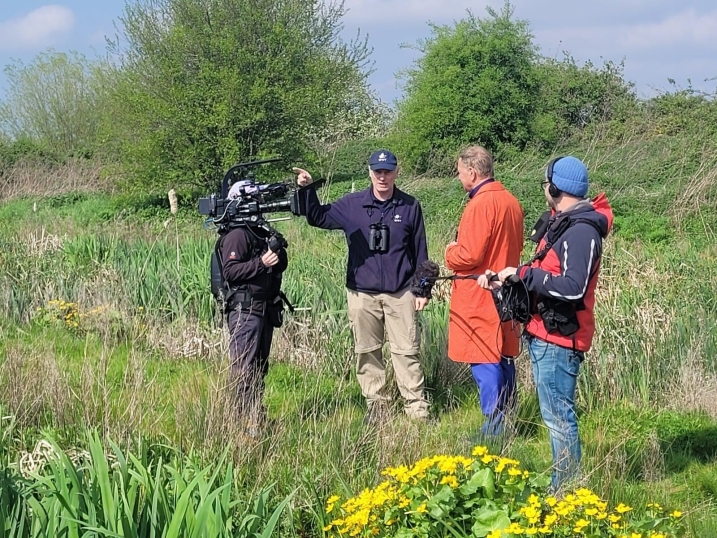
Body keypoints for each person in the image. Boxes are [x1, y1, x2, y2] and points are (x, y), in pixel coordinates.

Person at [478, 156, 613, 491]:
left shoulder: (581, 231)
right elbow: (547, 275)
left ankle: (565, 490)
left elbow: (573, 287)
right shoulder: (564, 222)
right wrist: (510, 282)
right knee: (554, 415)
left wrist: (526, 273)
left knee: (558, 419)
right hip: (545, 333)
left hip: (560, 339)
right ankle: (564, 485)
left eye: (545, 183)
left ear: (555, 188)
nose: (544, 190)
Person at [293, 149, 431, 422]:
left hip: (400, 291)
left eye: (388, 171)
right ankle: (377, 408)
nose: (382, 177)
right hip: (361, 293)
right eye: (378, 171)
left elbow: (420, 251)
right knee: (367, 352)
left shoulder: (409, 205)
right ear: (369, 172)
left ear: (396, 172)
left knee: (406, 352)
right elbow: (318, 217)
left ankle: (417, 411)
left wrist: (422, 289)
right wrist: (308, 189)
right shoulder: (352, 205)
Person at [444, 145, 524, 438]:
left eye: (460, 172)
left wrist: (450, 252)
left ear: (473, 172)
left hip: (481, 294)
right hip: (508, 293)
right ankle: (509, 418)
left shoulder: (480, 205)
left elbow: (470, 255)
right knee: (503, 355)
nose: (459, 177)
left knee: (484, 358)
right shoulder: (511, 201)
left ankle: (493, 428)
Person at [218, 182, 288, 436]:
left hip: (264, 308)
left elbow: (279, 266)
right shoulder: (238, 235)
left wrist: (277, 253)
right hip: (245, 310)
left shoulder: (259, 232)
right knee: (243, 368)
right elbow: (231, 271)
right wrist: (261, 263)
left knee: (259, 367)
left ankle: (255, 415)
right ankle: (239, 422)